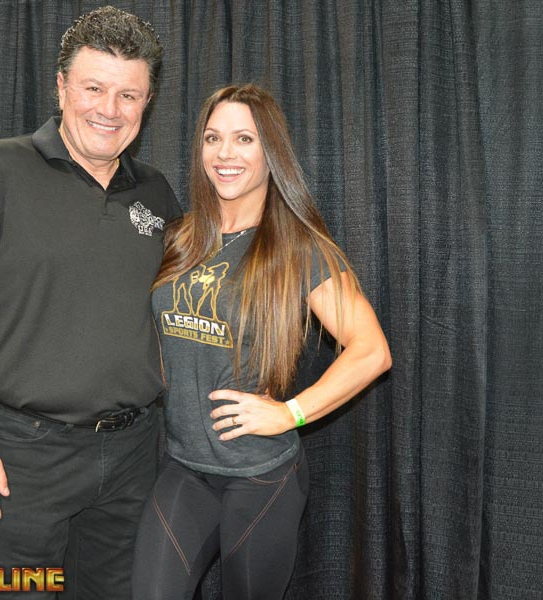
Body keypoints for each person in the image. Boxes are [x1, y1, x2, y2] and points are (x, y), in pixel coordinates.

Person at [0, 6, 181, 599]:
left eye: (128, 95)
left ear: (146, 103)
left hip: (134, 453)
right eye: (93, 88)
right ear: (61, 87)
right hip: (21, 456)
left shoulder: (158, 193)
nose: (109, 109)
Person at [131, 84, 392, 599]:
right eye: (213, 138)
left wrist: (290, 413)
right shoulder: (182, 238)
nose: (225, 153)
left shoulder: (298, 247)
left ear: (270, 151)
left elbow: (372, 350)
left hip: (260, 476)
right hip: (185, 466)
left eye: (244, 139)